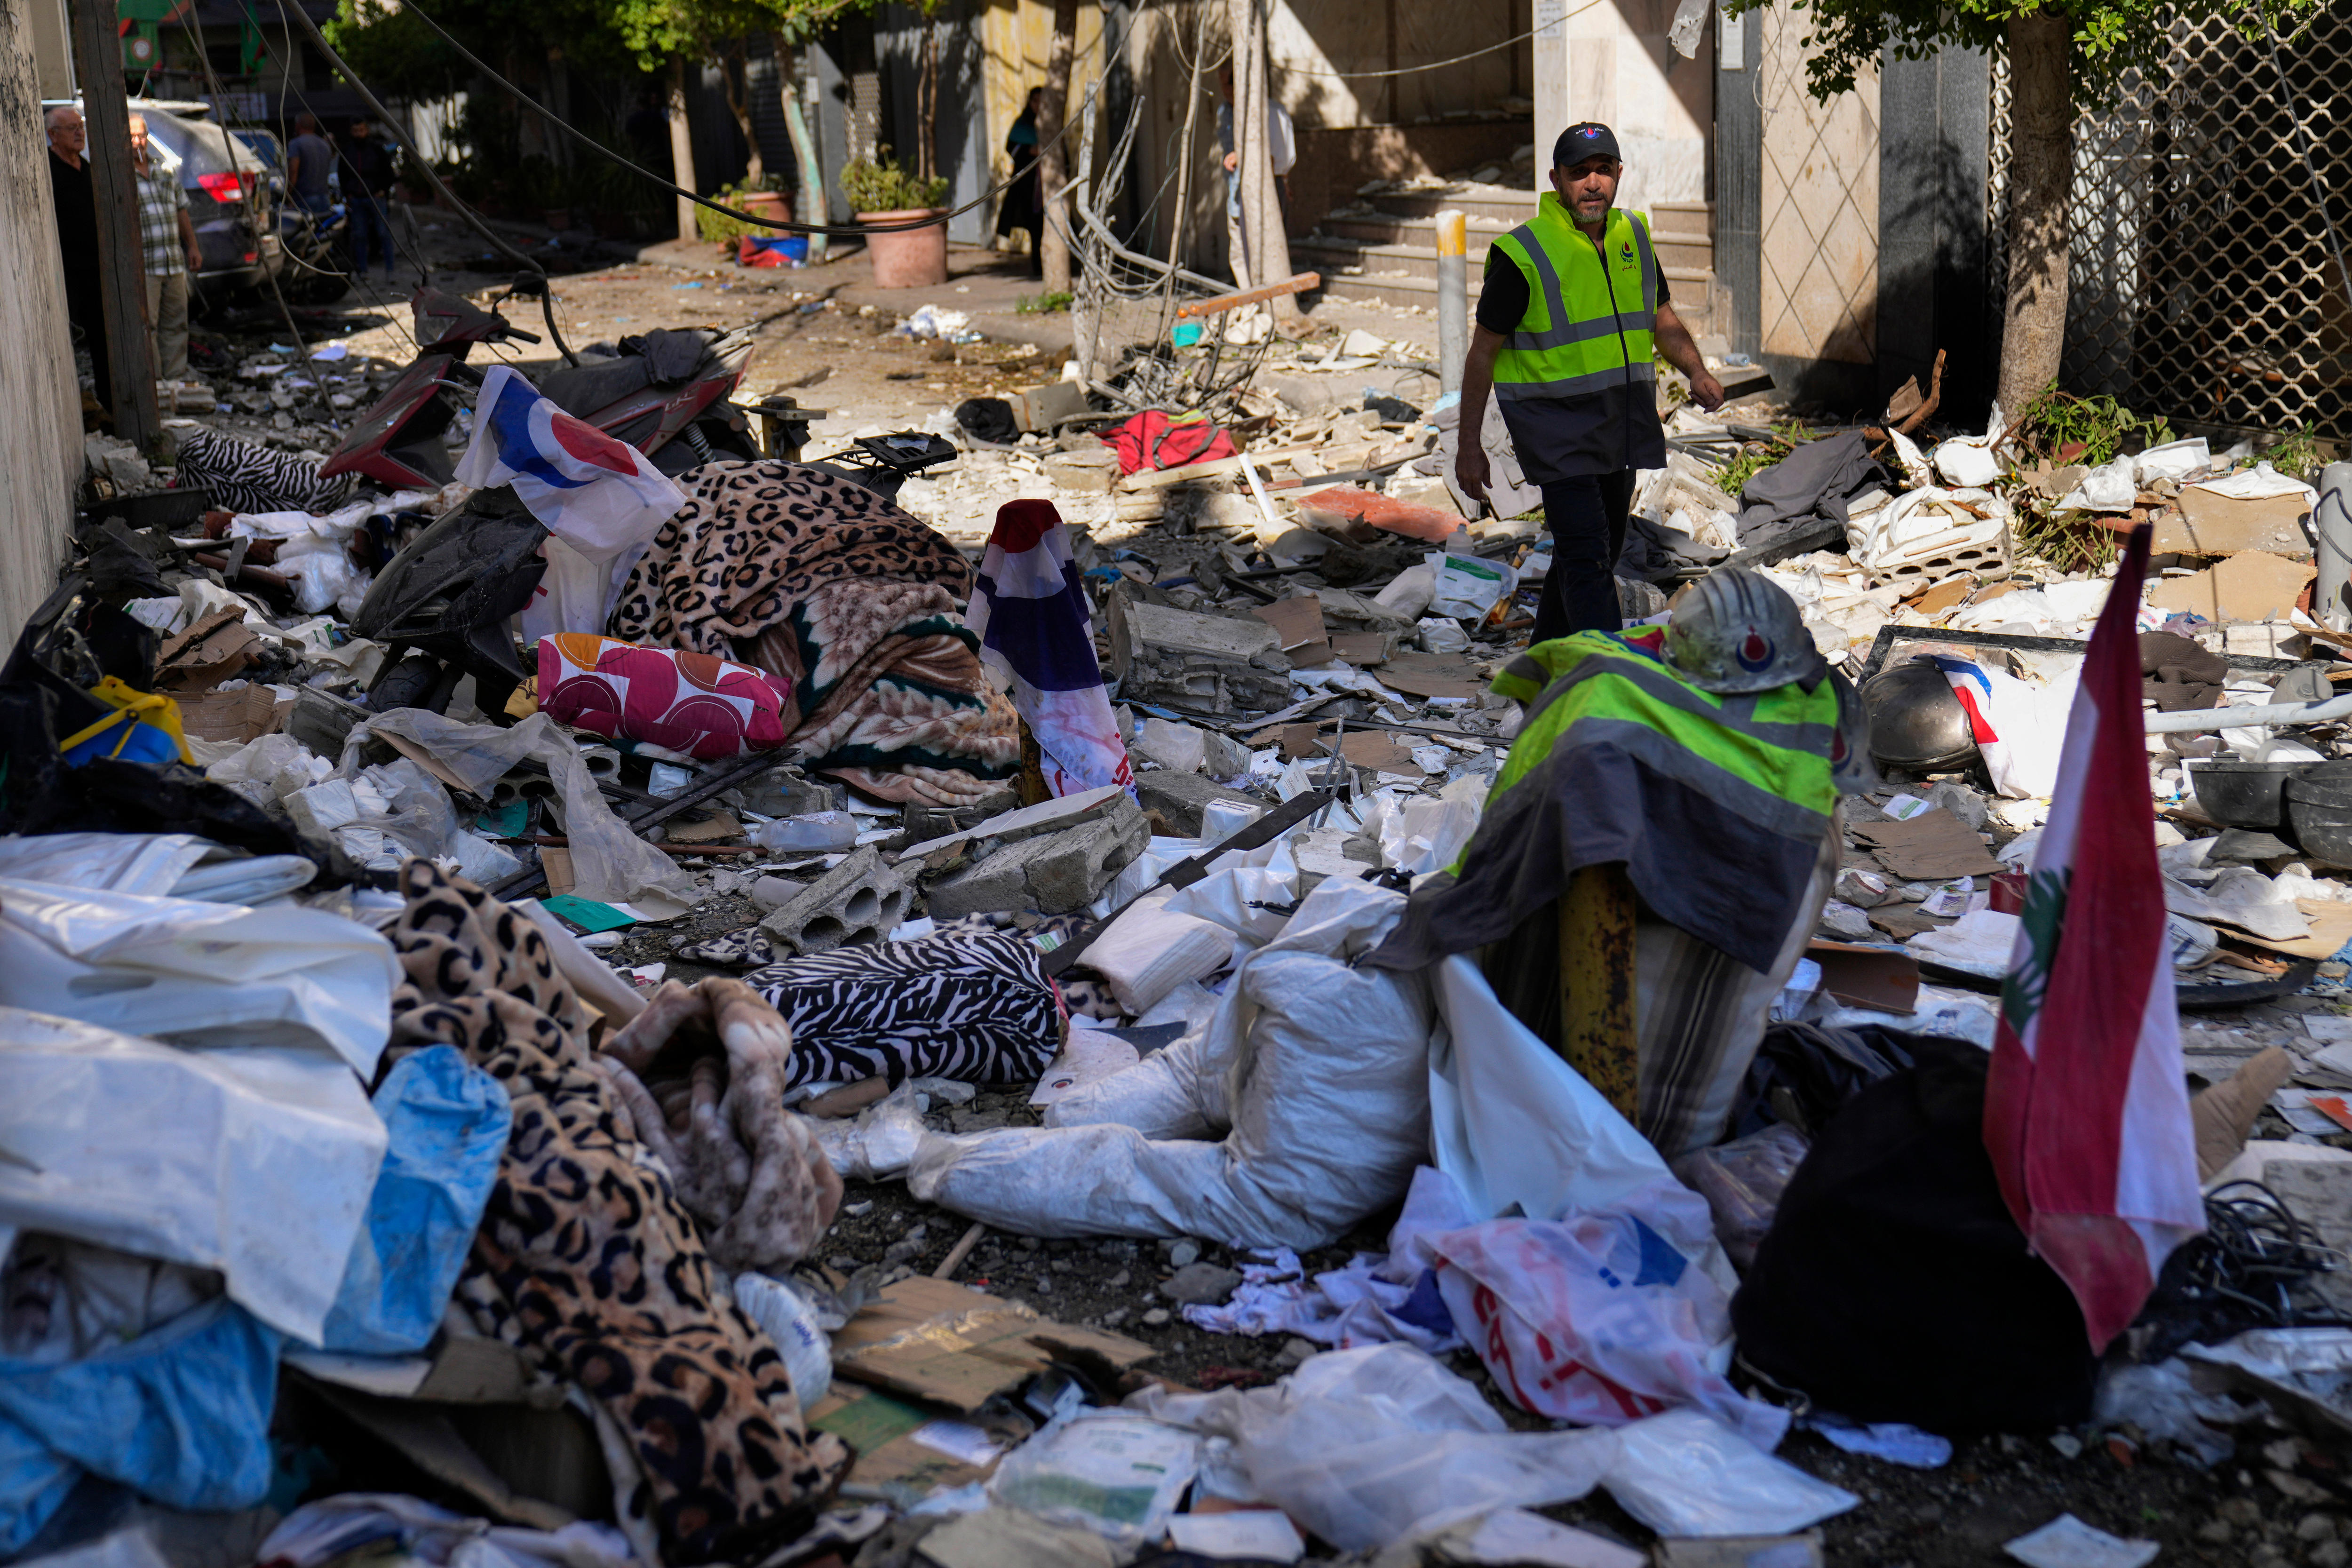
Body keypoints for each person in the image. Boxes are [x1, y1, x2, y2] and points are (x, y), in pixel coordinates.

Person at [1456, 122, 1725, 643]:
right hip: (1556, 432)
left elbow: (1660, 316)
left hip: (1618, 425)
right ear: (1555, 180)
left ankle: (1543, 663)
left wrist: (1696, 370)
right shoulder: (1523, 255)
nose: (1592, 183)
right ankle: (1609, 684)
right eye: (1579, 173)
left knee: (1592, 552)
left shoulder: (1633, 236)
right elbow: (1482, 352)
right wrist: (1468, 447)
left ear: (1619, 174)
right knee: (1587, 558)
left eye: (1603, 170)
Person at [128, 113, 202, 388]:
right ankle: (155, 384)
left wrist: (192, 247)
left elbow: (181, 209)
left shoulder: (164, 170)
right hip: (146, 265)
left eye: (142, 135)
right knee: (149, 326)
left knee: (177, 323)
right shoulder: (123, 176)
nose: (138, 141)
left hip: (172, 260)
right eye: (132, 136)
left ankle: (176, 379)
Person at [46, 105, 110, 418]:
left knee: (103, 339)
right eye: (71, 128)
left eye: (80, 126)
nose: (79, 132)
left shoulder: (87, 169)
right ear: (53, 135)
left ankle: (107, 402)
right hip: (65, 274)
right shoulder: (47, 171)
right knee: (68, 341)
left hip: (96, 273)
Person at [1215, 62, 1294, 291]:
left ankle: (1266, 298)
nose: (1226, 91)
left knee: (1265, 250)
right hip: (1236, 190)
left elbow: (1275, 156)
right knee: (1239, 252)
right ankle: (1249, 298)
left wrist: (1244, 154)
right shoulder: (1225, 111)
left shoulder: (1271, 112)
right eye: (1222, 86)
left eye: (1229, 85)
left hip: (1264, 187)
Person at [339, 118, 398, 283]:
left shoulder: (377, 150)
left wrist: (382, 191)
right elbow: (342, 174)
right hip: (357, 199)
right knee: (360, 236)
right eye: (356, 131)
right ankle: (363, 272)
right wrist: (348, 195)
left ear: (367, 131)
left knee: (383, 234)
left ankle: (391, 272)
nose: (359, 134)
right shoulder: (348, 151)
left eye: (362, 130)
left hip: (376, 198)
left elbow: (389, 173)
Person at [995, 87, 1045, 277]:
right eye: (1035, 101)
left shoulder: (1049, 122)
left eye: (1042, 101)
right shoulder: (1022, 124)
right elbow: (1012, 148)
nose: (1038, 106)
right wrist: (1031, 151)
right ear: (1030, 102)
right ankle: (1037, 267)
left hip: (1047, 182)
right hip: (1028, 185)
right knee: (1034, 226)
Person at [286, 112, 334, 216]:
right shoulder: (325, 145)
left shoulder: (296, 144)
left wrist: (287, 195)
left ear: (298, 126)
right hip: (324, 196)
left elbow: (293, 172)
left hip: (304, 198)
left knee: (306, 230)